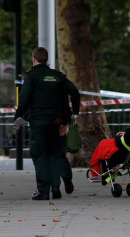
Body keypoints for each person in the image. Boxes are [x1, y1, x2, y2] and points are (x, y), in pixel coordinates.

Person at [14, 47, 80, 200]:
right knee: (56, 153)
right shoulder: (58, 76)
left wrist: (17, 120)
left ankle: (43, 191)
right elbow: (75, 92)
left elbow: (24, 100)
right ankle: (59, 184)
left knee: (40, 155)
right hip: (58, 122)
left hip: (38, 122)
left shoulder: (31, 77)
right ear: (47, 59)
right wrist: (72, 116)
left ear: (34, 59)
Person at [89, 102, 130, 182]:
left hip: (126, 155)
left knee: (105, 153)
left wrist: (121, 136)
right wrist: (126, 134)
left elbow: (120, 142)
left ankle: (103, 175)